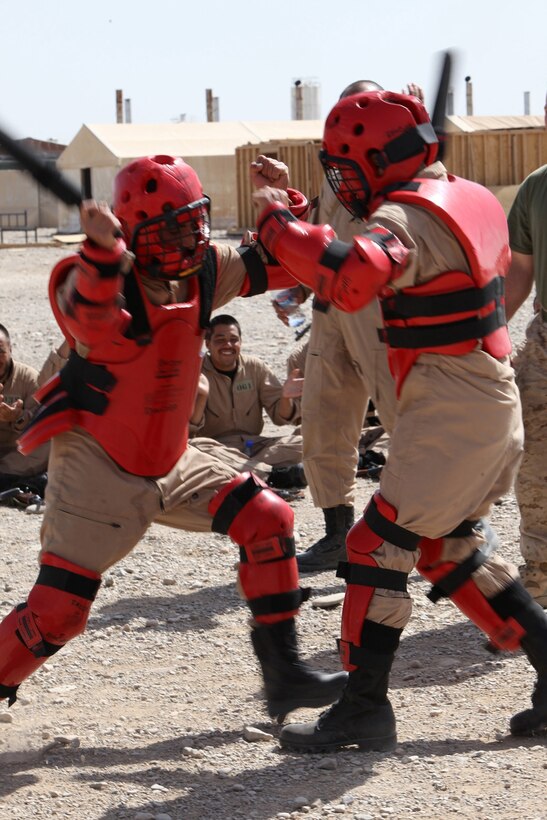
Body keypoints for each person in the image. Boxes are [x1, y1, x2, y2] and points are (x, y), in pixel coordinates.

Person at [0, 155, 348, 721]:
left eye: (194, 223)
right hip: (99, 466)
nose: (189, 240)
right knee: (59, 613)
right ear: (135, 233)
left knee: (269, 519)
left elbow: (288, 269)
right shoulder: (81, 276)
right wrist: (102, 254)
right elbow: (92, 323)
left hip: (170, 455)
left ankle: (285, 676)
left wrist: (288, 208)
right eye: (173, 230)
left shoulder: (204, 267)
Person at [251, 88, 547, 751]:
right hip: (479, 402)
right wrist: (303, 220)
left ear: (381, 159)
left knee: (373, 546)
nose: (342, 183)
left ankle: (362, 707)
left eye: (347, 170)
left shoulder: (405, 216)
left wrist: (275, 226)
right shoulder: (466, 194)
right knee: (446, 548)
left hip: (451, 411)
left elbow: (355, 274)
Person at [272, 79, 399, 574]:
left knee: (405, 422)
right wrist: (297, 291)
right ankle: (336, 535)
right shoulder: (335, 173)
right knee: (324, 421)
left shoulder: (401, 172)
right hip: (330, 317)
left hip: (381, 317)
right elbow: (320, 240)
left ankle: (443, 535)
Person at [190, 313, 307, 489]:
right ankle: (272, 474)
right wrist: (202, 396)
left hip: (255, 447)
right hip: (215, 448)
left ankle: (245, 471)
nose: (227, 345)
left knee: (308, 443)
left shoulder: (255, 368)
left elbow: (280, 417)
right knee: (196, 449)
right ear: (207, 343)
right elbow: (188, 432)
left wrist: (285, 397)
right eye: (220, 340)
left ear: (240, 343)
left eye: (233, 339)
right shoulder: (194, 372)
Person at [505, 133, 547, 608]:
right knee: (533, 457)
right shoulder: (536, 187)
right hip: (544, 340)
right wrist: (490, 332)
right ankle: (540, 578)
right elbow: (521, 269)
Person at [0, 323, 49, 505]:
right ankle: (22, 485)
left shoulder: (29, 379)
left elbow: (40, 425)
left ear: (10, 349)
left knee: (55, 440)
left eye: (0, 351)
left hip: (18, 455)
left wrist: (16, 418)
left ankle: (12, 483)